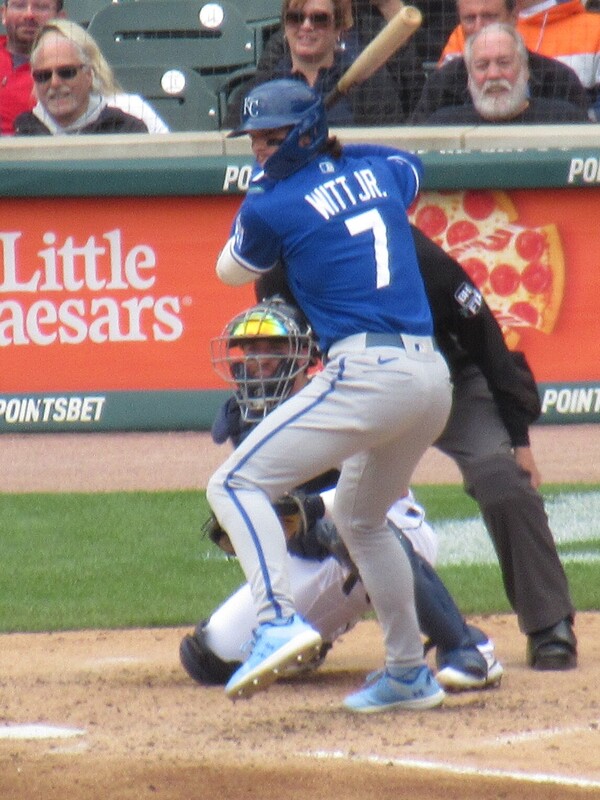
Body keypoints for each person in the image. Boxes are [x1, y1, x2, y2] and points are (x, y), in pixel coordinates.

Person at [207, 77, 454, 712]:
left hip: (367, 372)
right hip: (429, 383)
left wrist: (279, 181)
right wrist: (326, 149)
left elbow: (231, 270)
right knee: (361, 517)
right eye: (255, 139)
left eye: (272, 137)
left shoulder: (271, 203)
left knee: (233, 484)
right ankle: (407, 672)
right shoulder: (377, 170)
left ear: (306, 131)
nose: (260, 151)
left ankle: (276, 622)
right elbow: (408, 165)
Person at [257, 220, 577, 673]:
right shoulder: (283, 267)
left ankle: (549, 624)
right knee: (320, 506)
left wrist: (520, 441)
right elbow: (285, 359)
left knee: (500, 478)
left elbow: (485, 337)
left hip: (451, 380)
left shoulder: (412, 255)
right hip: (356, 387)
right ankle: (311, 624)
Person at [180, 297, 504, 692]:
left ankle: (467, 646)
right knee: (208, 658)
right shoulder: (241, 415)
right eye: (249, 349)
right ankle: (315, 636)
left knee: (342, 527)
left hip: (389, 528)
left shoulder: (340, 398)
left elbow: (385, 492)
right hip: (313, 555)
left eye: (271, 348)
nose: (256, 359)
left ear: (303, 356)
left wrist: (313, 507)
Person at [222, 0, 408, 129]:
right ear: (285, 27)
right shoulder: (259, 90)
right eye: (295, 18)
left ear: (338, 29)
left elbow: (387, 149)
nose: (306, 26)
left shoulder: (369, 86)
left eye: (319, 18)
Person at [409, 0, 588, 122]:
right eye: (470, 19)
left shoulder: (558, 79)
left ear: (514, 16)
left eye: (489, 17)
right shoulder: (442, 85)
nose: (479, 27)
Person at [13, 20, 151, 135]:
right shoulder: (24, 132)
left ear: (88, 75)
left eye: (66, 72)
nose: (54, 83)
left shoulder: (126, 129)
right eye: (44, 76)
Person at [0, 0, 65, 135]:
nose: (29, 14)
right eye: (19, 6)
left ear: (60, 19)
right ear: (3, 14)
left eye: (41, 7)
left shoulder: (70, 70)